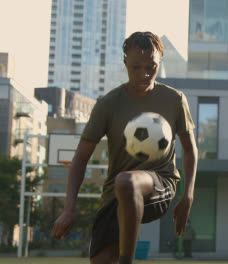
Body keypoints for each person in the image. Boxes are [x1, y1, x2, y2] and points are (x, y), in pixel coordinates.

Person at [51, 31, 198, 264]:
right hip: (115, 196)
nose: (144, 73)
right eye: (136, 67)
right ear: (125, 63)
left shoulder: (174, 100)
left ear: (160, 61)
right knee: (101, 260)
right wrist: (70, 208)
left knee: (127, 181)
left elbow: (190, 150)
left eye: (151, 66)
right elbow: (80, 158)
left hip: (159, 185)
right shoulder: (108, 104)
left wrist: (187, 196)